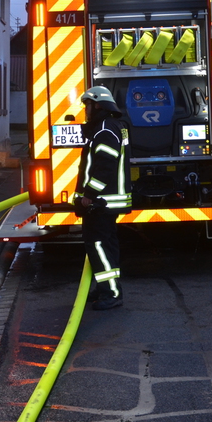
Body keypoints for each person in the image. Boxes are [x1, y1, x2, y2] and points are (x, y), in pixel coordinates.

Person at [74, 86, 132, 310]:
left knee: (98, 246)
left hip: (102, 201)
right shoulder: (111, 127)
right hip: (107, 201)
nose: (86, 110)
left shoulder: (105, 130)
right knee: (106, 245)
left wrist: (89, 195)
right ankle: (105, 287)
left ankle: (111, 293)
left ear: (98, 105)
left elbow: (105, 167)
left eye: (87, 105)